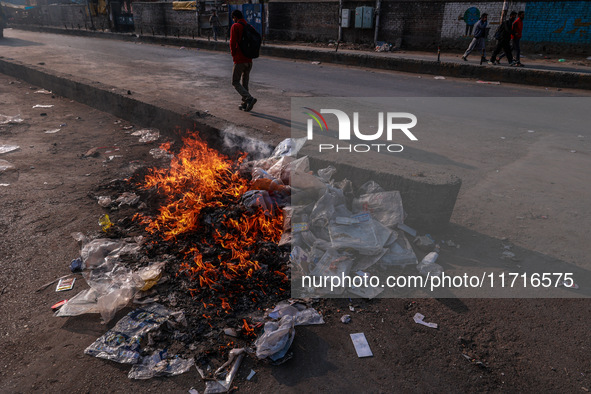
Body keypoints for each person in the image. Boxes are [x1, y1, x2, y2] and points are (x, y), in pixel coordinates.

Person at [230, 10, 257, 112]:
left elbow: (232, 43)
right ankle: (245, 104)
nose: (233, 21)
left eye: (233, 19)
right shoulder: (249, 26)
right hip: (249, 60)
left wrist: (234, 55)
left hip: (240, 59)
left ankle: (249, 99)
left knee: (235, 82)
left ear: (235, 17)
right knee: (244, 83)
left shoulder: (236, 26)